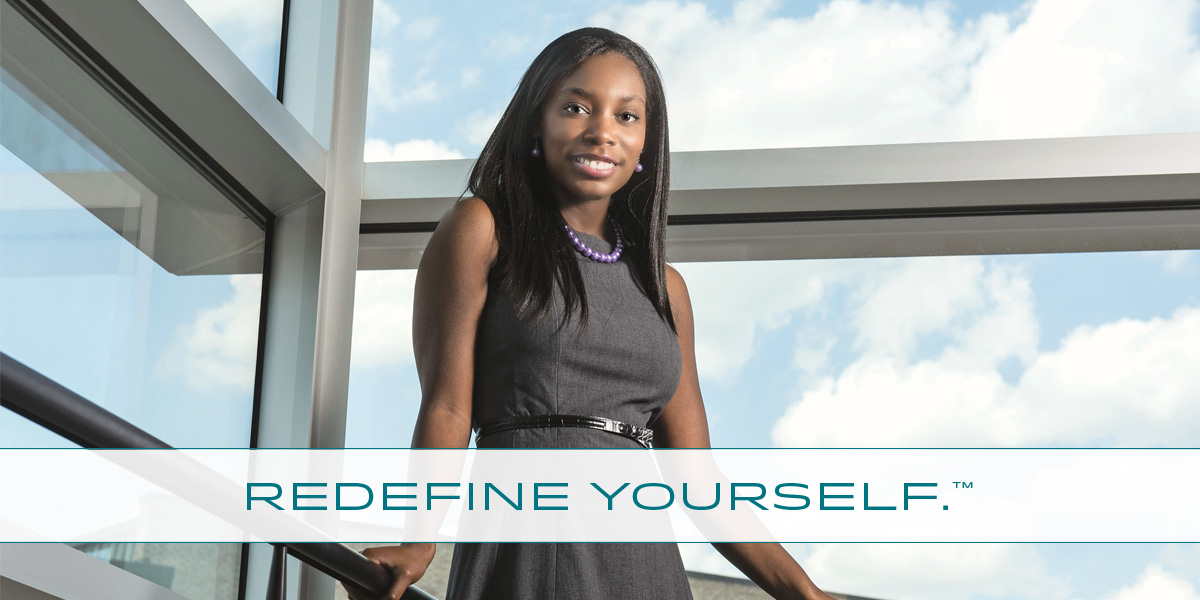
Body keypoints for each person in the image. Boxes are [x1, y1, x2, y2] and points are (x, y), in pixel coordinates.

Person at [349, 27, 837, 600]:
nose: (602, 131)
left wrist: (806, 593)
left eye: (626, 116)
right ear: (537, 120)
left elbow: (698, 479)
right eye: (576, 107)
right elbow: (447, 405)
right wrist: (418, 540)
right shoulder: (481, 228)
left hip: (645, 564)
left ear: (646, 141)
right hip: (530, 543)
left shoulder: (666, 288)